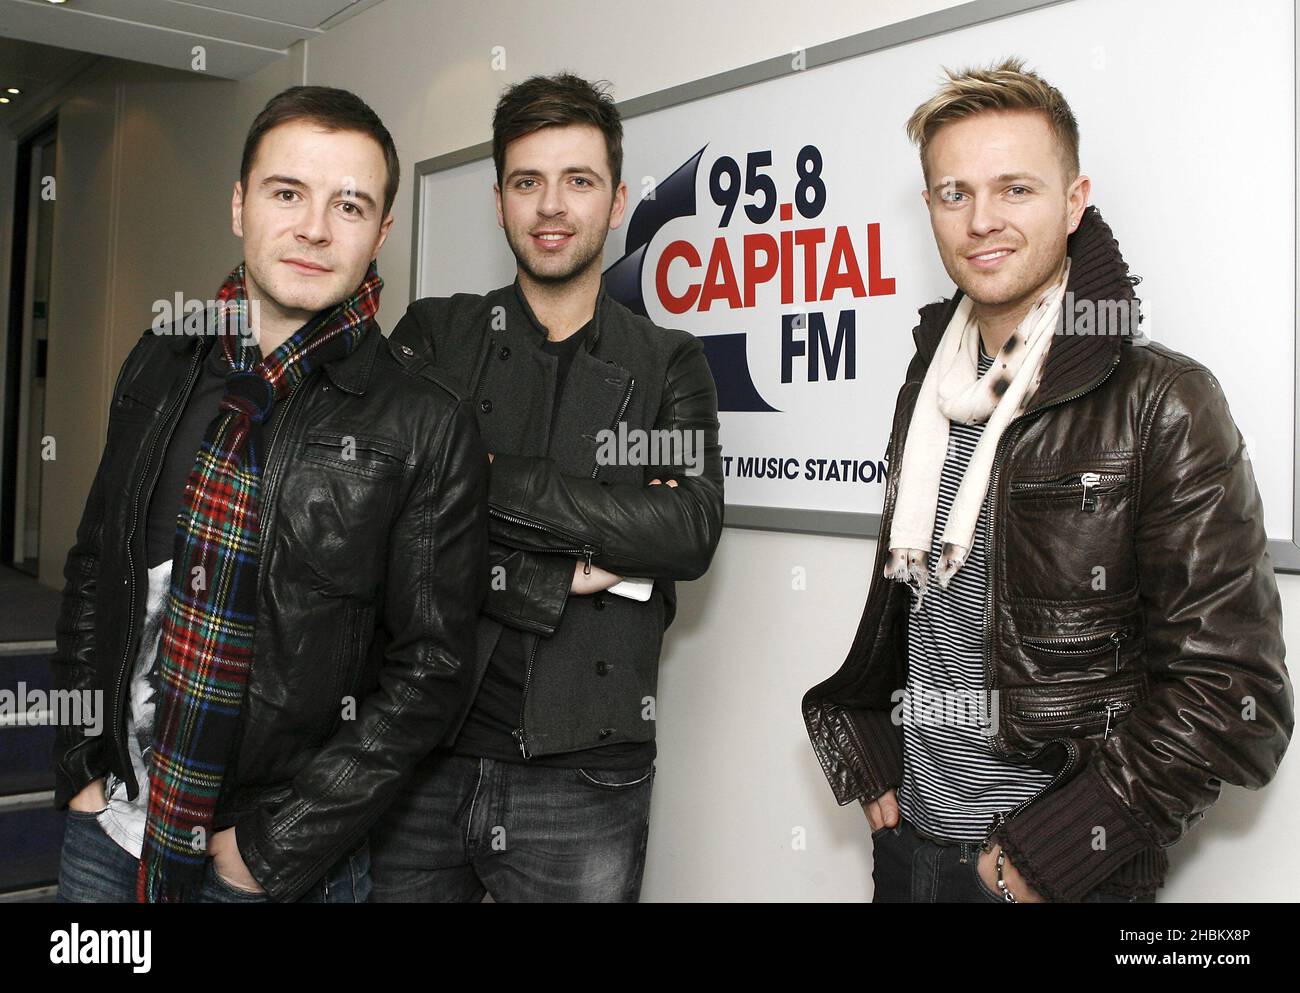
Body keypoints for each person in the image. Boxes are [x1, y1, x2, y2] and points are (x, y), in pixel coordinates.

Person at [802, 57, 1292, 903]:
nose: (982, 220)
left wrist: (1045, 854)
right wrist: (875, 736)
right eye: (954, 193)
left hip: (1057, 876)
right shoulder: (930, 391)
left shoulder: (1162, 402)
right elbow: (924, 613)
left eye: (1015, 189)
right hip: (910, 848)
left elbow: (1234, 694)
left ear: (1074, 202)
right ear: (930, 210)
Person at [50, 85, 489, 903]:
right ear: (239, 202)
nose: (315, 228)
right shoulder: (162, 357)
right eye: (288, 192)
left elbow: (431, 672)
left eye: (349, 205)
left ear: (382, 231)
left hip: (268, 866)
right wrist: (82, 761)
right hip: (110, 825)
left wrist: (275, 843)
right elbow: (92, 568)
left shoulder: (425, 421)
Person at [370, 72, 723, 902]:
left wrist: (488, 481)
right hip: (420, 755)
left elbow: (685, 530)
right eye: (528, 182)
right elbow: (389, 516)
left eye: (579, 181)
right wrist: (560, 572)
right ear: (499, 201)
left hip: (585, 776)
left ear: (618, 199)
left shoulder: (667, 360)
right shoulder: (437, 333)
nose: (552, 206)